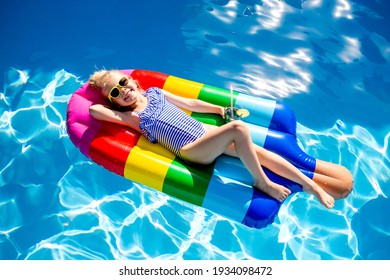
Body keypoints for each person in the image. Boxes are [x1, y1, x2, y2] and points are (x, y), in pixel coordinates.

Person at [88, 70, 353, 208]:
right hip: (190, 150)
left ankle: (311, 185)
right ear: (113, 100)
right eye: (115, 91)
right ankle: (263, 182)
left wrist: (217, 109)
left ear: (134, 81)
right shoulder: (132, 117)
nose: (123, 90)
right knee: (239, 129)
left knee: (262, 153)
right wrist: (98, 89)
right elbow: (93, 110)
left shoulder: (157, 93)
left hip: (205, 135)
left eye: (123, 82)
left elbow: (190, 102)